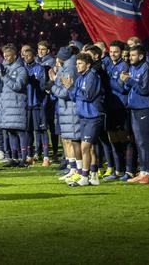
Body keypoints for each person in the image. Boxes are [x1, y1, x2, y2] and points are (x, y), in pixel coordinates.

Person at [63, 52, 105, 187]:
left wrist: (71, 87)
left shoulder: (92, 77)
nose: (77, 66)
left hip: (93, 116)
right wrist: (70, 88)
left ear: (88, 64)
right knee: (90, 148)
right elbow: (75, 97)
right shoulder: (81, 78)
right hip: (84, 116)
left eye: (80, 63)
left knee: (85, 147)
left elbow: (87, 95)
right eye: (76, 64)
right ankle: (94, 176)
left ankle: (84, 177)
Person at [119, 44, 149, 184]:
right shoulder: (133, 68)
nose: (130, 58)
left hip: (144, 108)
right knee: (139, 141)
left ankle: (148, 172)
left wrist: (129, 80)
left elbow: (145, 89)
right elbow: (127, 87)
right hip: (134, 108)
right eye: (130, 55)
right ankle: (142, 171)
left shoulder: (146, 68)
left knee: (145, 141)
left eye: (133, 55)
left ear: (141, 56)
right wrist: (124, 80)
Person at [103, 41, 133, 181]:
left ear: (121, 52)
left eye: (115, 51)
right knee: (113, 140)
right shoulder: (109, 65)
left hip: (121, 107)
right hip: (110, 107)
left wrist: (108, 83)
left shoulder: (124, 66)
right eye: (111, 51)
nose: (113, 54)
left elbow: (122, 88)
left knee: (124, 140)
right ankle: (118, 170)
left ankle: (129, 170)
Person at [50, 46, 81, 180]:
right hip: (64, 109)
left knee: (72, 140)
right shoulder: (64, 68)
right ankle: (71, 167)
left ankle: (77, 169)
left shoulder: (70, 69)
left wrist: (52, 87)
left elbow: (65, 92)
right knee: (67, 139)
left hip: (70, 108)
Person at [0, 44, 29, 167]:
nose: (5, 58)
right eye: (4, 56)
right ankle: (13, 158)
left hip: (17, 105)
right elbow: (0, 88)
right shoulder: (4, 68)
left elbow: (18, 86)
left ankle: (23, 158)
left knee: (20, 132)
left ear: (15, 56)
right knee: (10, 132)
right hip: (6, 106)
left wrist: (4, 76)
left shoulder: (21, 70)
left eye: (8, 56)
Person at [22, 44, 51, 166]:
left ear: (34, 56)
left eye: (29, 55)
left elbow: (43, 86)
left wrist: (36, 81)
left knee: (41, 130)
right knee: (28, 130)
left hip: (38, 103)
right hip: (26, 105)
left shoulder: (39, 68)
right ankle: (29, 155)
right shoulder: (22, 68)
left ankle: (46, 157)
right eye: (24, 56)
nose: (26, 57)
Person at [37, 41, 59, 161]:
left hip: (50, 97)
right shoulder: (36, 61)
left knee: (52, 125)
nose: (40, 51)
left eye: (43, 49)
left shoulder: (51, 62)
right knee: (41, 125)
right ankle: (40, 151)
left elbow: (53, 78)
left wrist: (47, 87)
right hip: (41, 97)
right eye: (39, 49)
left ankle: (55, 151)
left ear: (48, 51)